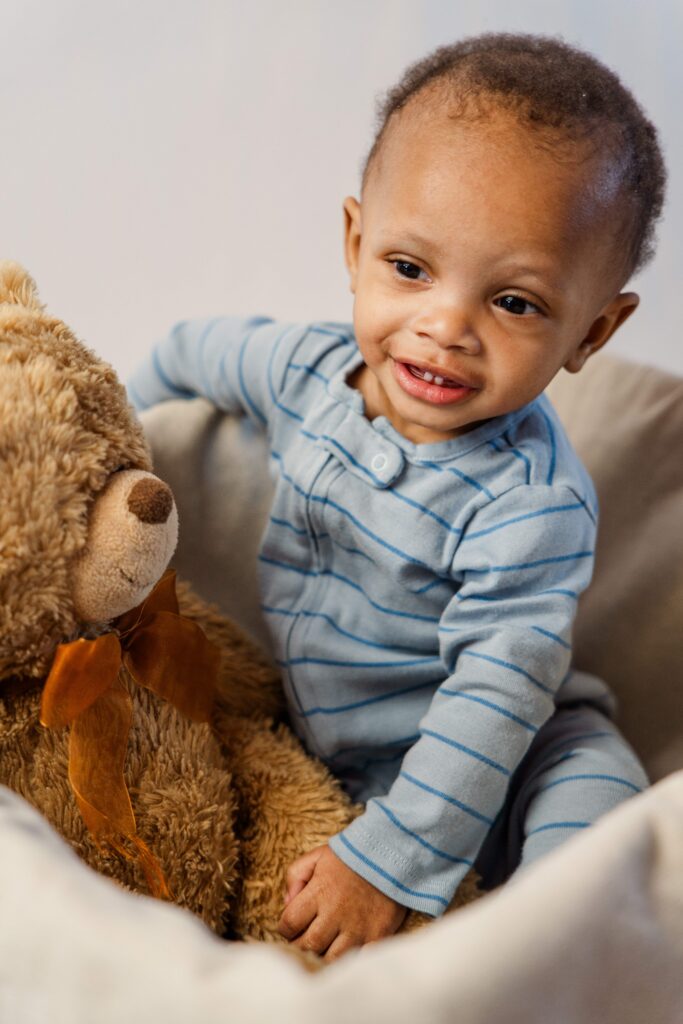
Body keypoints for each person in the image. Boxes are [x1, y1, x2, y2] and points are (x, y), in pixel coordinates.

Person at [129, 33, 665, 961]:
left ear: (593, 330)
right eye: (409, 269)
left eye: (516, 302)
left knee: (597, 820)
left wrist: (385, 862)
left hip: (520, 751)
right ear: (354, 243)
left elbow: (495, 699)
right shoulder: (299, 370)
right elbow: (182, 351)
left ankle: (526, 967)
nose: (444, 326)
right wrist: (113, 446)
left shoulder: (530, 503)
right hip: (333, 749)